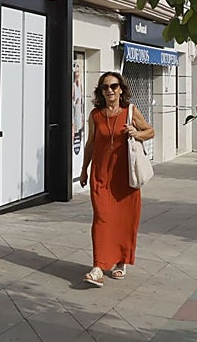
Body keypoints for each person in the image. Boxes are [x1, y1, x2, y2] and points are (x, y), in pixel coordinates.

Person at [76, 70, 154, 286]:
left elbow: (150, 131)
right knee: (101, 218)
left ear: (121, 89)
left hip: (125, 176)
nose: (109, 90)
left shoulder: (130, 111)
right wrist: (84, 168)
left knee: (124, 221)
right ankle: (98, 266)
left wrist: (136, 133)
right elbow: (91, 143)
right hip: (101, 175)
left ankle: (121, 261)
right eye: (105, 87)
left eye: (113, 86)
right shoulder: (95, 115)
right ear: (101, 91)